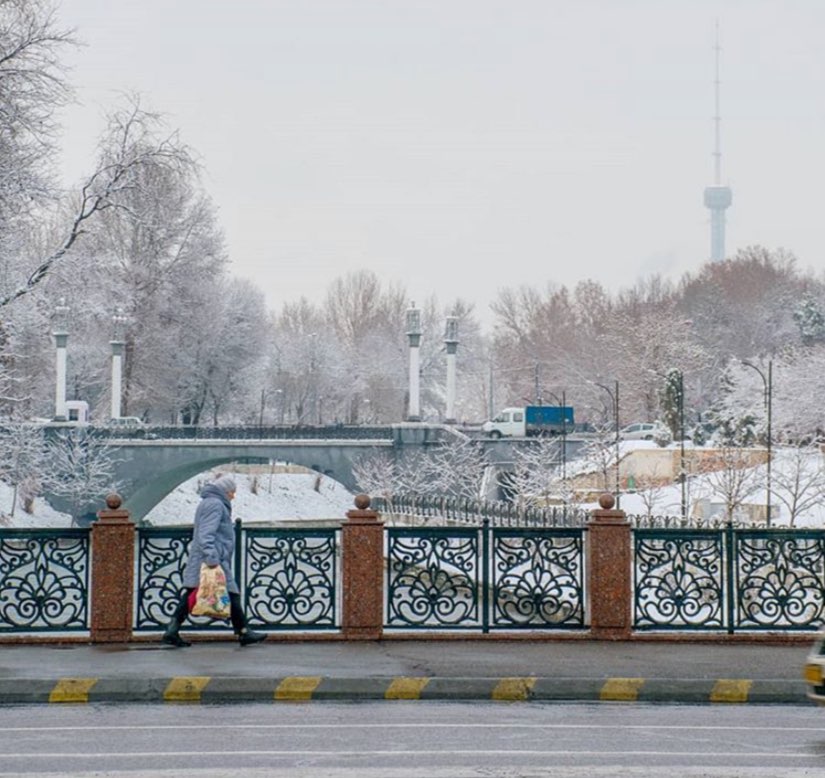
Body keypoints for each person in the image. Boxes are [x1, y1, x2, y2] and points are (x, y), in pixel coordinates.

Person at [162, 474, 267, 648]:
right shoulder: (215, 504)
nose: (233, 496)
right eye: (232, 492)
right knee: (227, 594)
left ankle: (172, 631)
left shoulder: (210, 502)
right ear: (225, 491)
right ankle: (243, 632)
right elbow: (206, 534)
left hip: (211, 556)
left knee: (196, 593)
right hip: (211, 558)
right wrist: (211, 557)